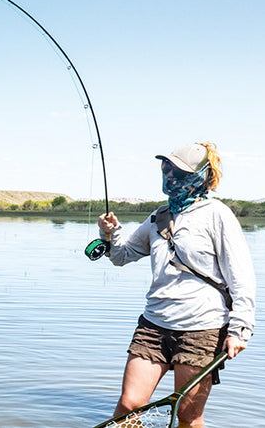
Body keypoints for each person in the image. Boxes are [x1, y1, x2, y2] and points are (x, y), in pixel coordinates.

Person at [97, 142, 255, 428]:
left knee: (188, 416)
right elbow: (122, 256)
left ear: (202, 176)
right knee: (128, 406)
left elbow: (241, 277)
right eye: (167, 169)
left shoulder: (217, 215)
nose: (170, 176)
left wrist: (239, 330)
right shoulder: (158, 216)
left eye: (179, 172)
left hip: (202, 330)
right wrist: (110, 234)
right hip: (153, 326)